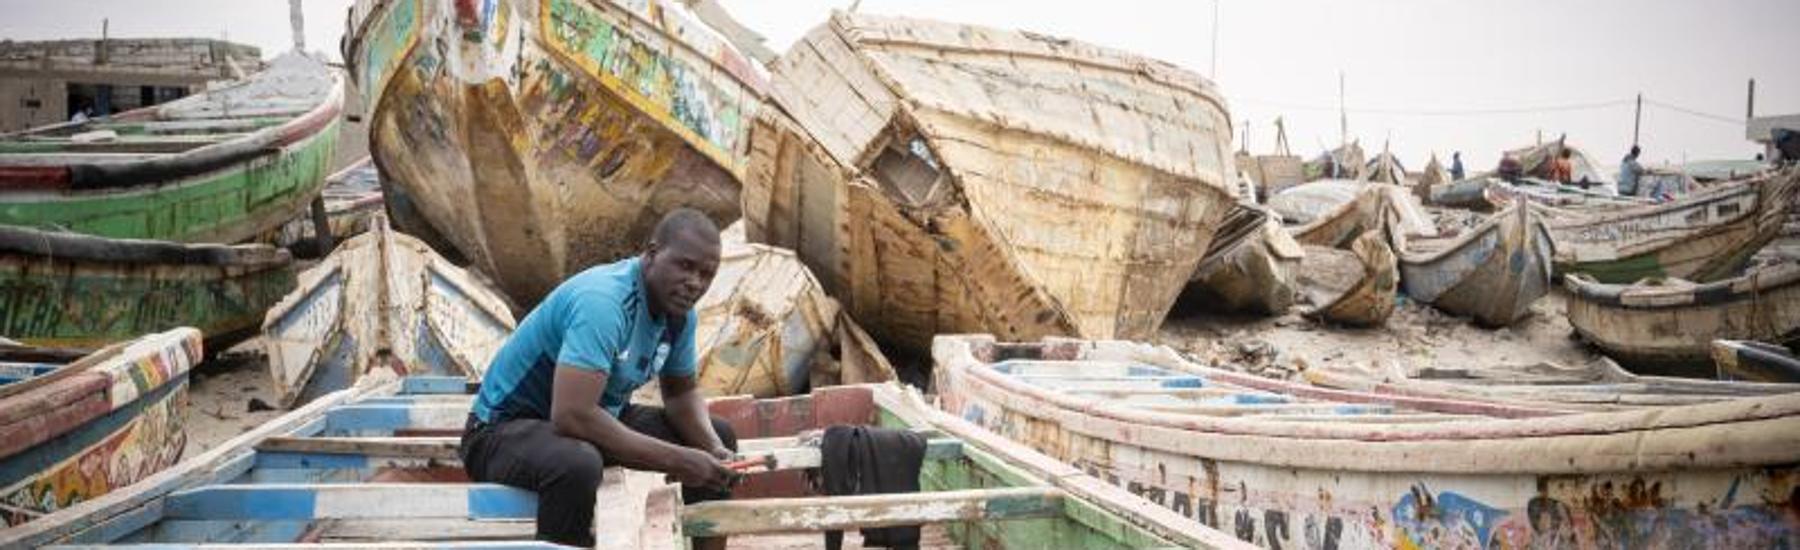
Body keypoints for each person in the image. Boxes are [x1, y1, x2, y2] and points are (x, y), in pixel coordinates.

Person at [459, 208, 737, 549]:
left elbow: (681, 395)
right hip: (501, 432)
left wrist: (710, 447)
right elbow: (572, 415)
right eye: (685, 265)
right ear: (651, 254)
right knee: (577, 463)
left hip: (590, 423)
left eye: (706, 274)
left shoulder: (679, 314)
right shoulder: (604, 302)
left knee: (717, 434)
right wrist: (679, 459)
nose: (695, 282)